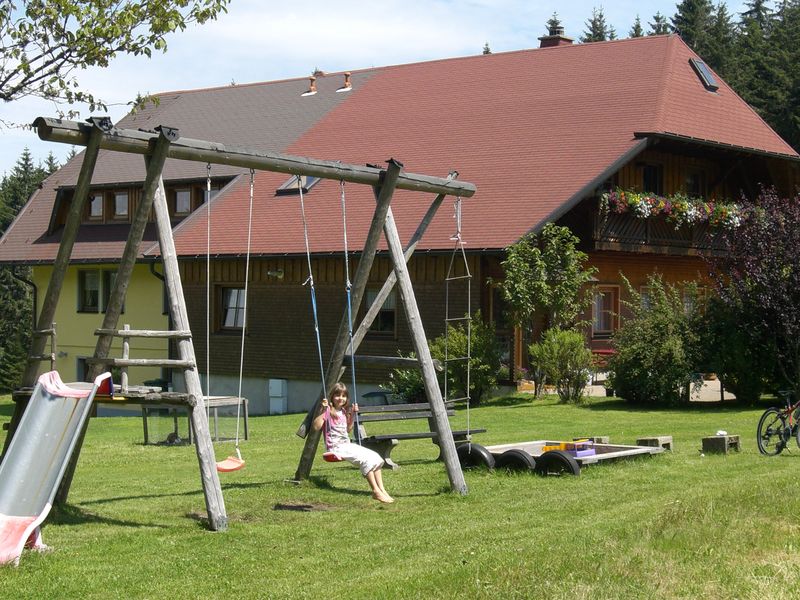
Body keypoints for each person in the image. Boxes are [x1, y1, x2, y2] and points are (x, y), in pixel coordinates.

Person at [312, 382, 394, 504]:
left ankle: (382, 490)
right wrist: (323, 410)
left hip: (347, 444)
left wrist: (353, 415)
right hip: (336, 447)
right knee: (365, 461)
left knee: (376, 457)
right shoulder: (329, 411)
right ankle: (376, 491)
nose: (340, 398)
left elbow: (348, 430)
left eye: (343, 396)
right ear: (331, 397)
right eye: (337, 395)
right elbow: (316, 426)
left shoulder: (344, 412)